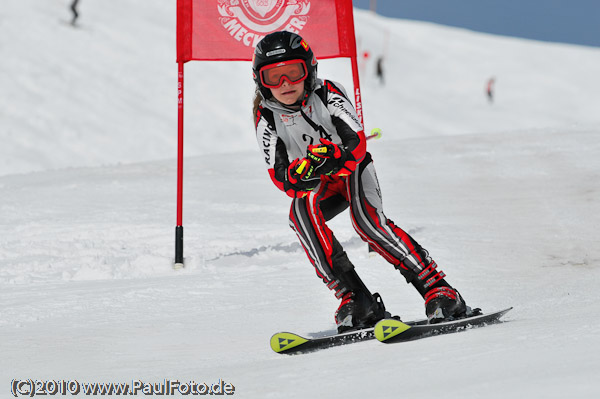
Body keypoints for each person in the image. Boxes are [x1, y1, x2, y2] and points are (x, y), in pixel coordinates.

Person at [252, 31, 474, 333]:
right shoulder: (265, 115)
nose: (284, 84)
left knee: (367, 222)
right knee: (299, 214)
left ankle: (440, 290)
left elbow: (355, 145)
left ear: (309, 69)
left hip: (351, 170)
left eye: (293, 72)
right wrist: (302, 170)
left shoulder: (326, 92)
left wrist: (333, 154)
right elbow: (283, 178)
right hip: (321, 182)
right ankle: (356, 299)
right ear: (260, 82)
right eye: (273, 77)